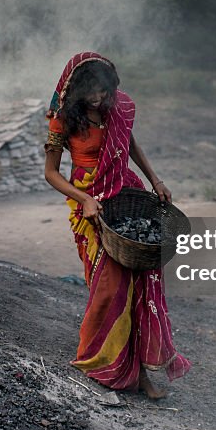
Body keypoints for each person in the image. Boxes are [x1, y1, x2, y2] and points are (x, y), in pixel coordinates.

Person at [43, 51, 191, 399]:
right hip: (91, 205)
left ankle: (139, 372)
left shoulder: (117, 109)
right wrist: (85, 200)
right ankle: (101, 360)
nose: (98, 98)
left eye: (104, 91)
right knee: (110, 287)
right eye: (92, 92)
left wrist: (155, 181)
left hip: (126, 194)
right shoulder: (61, 120)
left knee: (140, 284)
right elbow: (50, 173)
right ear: (77, 89)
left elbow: (131, 144)